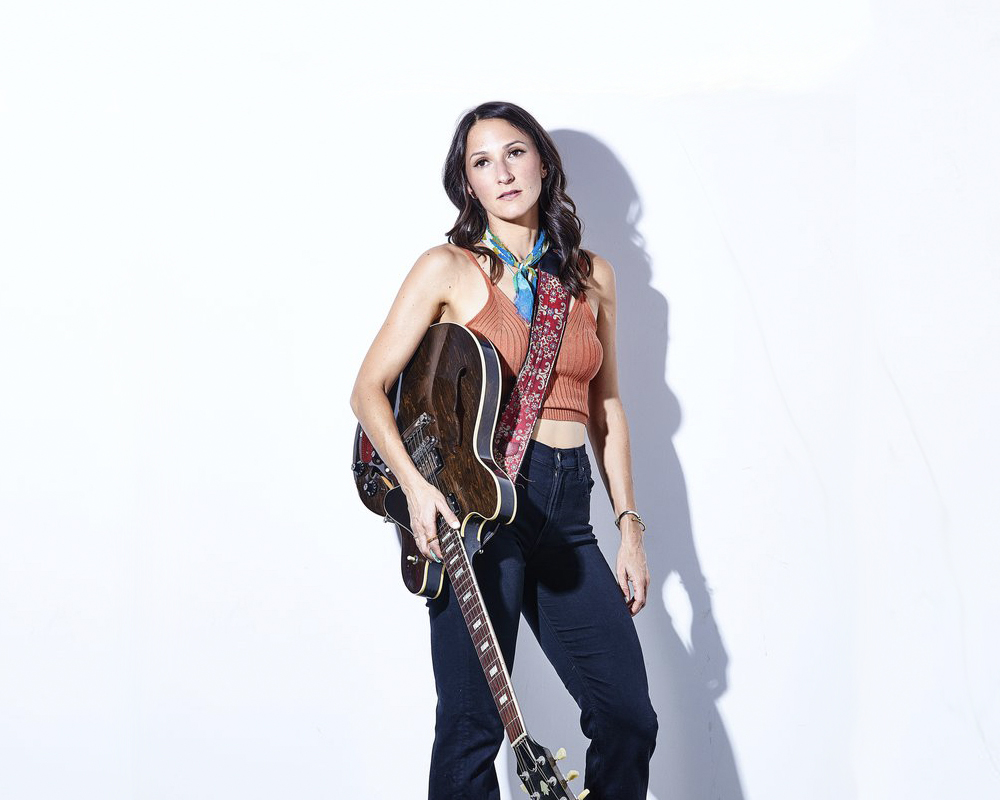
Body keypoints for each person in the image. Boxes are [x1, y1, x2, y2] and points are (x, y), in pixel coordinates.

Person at [350, 101, 657, 800]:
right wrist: (417, 490)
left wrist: (630, 528)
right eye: (481, 162)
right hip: (479, 512)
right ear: (468, 184)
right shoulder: (447, 270)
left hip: (568, 509)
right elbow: (368, 390)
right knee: (471, 729)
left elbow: (607, 409)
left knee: (626, 719)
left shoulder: (591, 277)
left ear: (543, 162)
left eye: (515, 153)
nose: (503, 172)